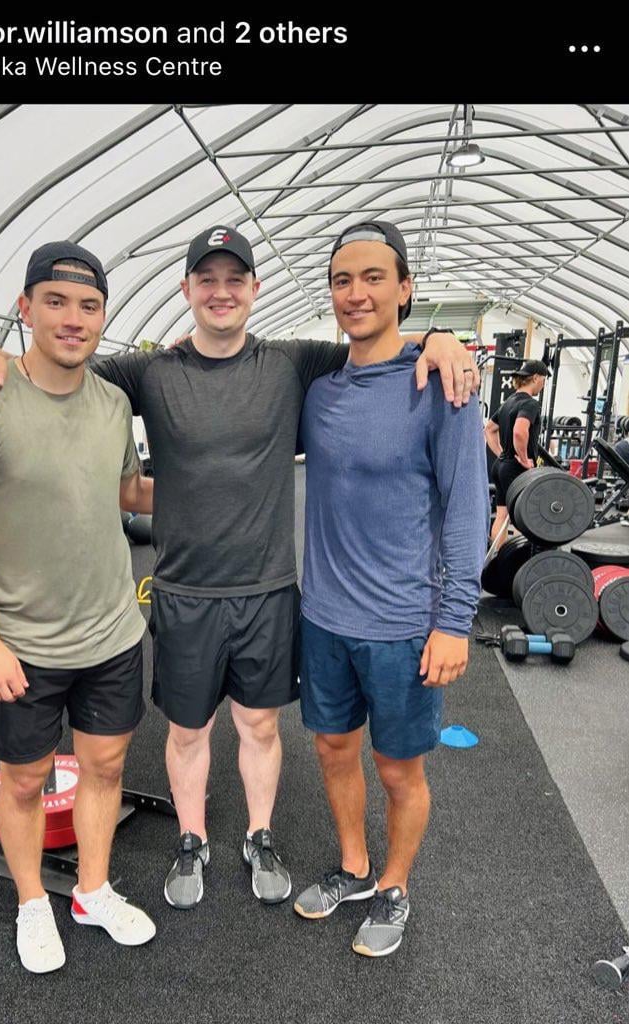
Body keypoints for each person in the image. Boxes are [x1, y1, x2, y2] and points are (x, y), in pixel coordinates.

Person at [0, 225, 478, 911]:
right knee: (192, 731)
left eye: (235, 280)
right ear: (187, 290)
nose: (220, 292)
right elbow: (55, 364)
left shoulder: (295, 364)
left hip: (271, 593)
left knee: (265, 729)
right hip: (185, 592)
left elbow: (375, 346)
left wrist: (438, 339)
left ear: (255, 290)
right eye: (207, 280)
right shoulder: (145, 373)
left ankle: (261, 835)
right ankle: (191, 838)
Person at [0, 242, 156, 974]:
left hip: (112, 632)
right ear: (24, 308)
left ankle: (91, 890)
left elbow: (127, 493)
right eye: (55, 303)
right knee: (25, 781)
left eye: (88, 306)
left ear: (102, 319)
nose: (73, 319)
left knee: (104, 766)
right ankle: (33, 901)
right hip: (22, 643)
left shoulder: (114, 403)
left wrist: (229, 477)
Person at [293, 221, 489, 957]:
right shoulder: (318, 393)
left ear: (404, 289)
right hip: (324, 617)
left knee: (397, 768)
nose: (356, 292)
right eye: (343, 279)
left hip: (406, 623)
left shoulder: (443, 387)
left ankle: (396, 885)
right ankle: (353, 865)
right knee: (332, 750)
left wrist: (454, 621)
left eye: (373, 277)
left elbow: (467, 507)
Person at [484, 360, 549, 547]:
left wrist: (502, 454)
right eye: (543, 380)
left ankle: (497, 558)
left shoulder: (508, 402)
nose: (543, 385)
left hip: (501, 467)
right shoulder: (530, 404)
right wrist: (523, 458)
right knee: (524, 517)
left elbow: (489, 429)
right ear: (535, 378)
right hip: (517, 468)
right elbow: (520, 432)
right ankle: (521, 561)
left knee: (502, 515)